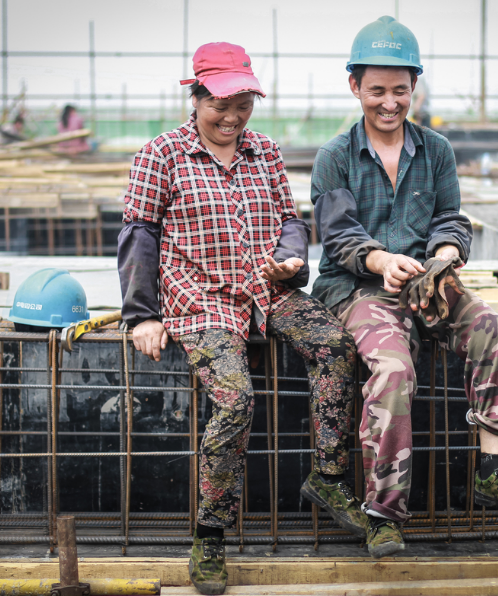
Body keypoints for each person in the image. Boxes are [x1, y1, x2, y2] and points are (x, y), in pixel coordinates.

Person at [117, 42, 361, 596]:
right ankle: (210, 534)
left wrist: (293, 258)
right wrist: (142, 315)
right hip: (200, 299)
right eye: (220, 105)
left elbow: (288, 219)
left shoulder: (265, 152)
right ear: (195, 95)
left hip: (265, 289)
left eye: (243, 105)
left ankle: (327, 477)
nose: (231, 118)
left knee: (335, 346)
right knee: (235, 398)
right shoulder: (162, 154)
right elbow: (139, 234)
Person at [310, 16, 498, 559]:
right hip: (359, 289)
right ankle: (384, 513)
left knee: (488, 323)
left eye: (400, 90)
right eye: (377, 90)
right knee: (394, 366)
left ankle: (494, 468)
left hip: (427, 281)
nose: (389, 102)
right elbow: (338, 234)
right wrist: (379, 260)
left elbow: (450, 219)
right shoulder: (335, 157)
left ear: (413, 86)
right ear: (355, 86)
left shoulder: (436, 151)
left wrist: (442, 259)